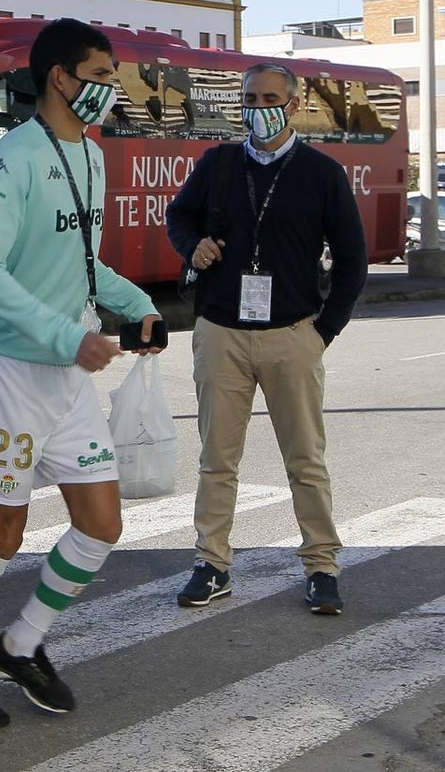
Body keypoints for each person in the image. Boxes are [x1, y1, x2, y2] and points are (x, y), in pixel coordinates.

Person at [0, 18, 164, 730]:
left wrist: (138, 306)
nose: (111, 90)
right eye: (101, 76)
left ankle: (20, 644)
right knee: (2, 534)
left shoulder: (92, 156)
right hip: (6, 373)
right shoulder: (13, 158)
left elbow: (85, 264)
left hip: (65, 375)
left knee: (102, 524)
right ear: (60, 76)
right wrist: (66, 334)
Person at [165, 61, 367, 615]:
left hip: (293, 334)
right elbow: (179, 218)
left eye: (270, 99)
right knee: (217, 459)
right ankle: (211, 564)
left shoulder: (322, 173)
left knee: (305, 460)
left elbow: (352, 260)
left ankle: (322, 566)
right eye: (250, 99)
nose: (259, 109)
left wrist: (323, 331)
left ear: (294, 105)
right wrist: (193, 247)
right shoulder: (219, 164)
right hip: (221, 333)